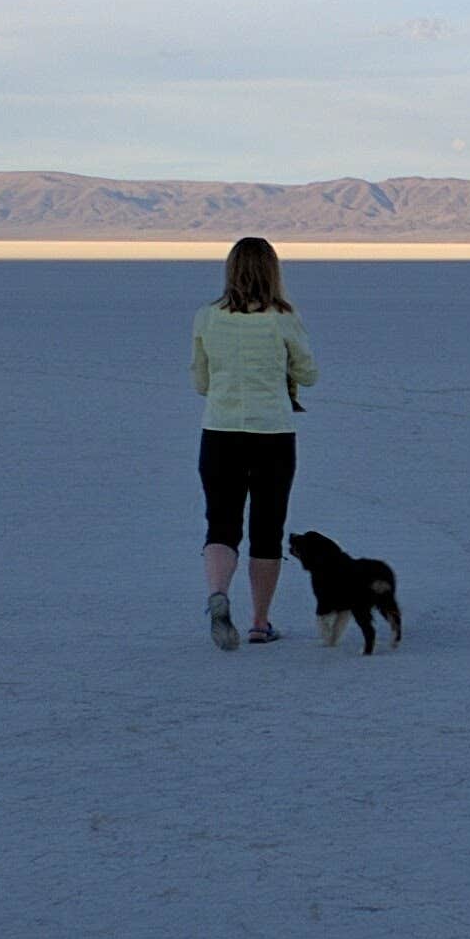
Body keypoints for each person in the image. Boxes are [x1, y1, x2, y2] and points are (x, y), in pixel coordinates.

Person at [192, 234, 318, 649]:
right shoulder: (283, 317)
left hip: (220, 432)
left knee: (221, 523)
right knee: (267, 528)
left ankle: (219, 594)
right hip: (272, 435)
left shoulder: (208, 316)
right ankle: (260, 622)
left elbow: (201, 380)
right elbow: (308, 373)